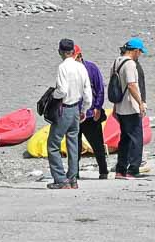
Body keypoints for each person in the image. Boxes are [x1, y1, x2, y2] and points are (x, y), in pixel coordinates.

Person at [46, 38, 91, 190]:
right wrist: (84, 110)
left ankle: (60, 179)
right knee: (73, 144)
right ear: (73, 52)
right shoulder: (81, 67)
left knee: (53, 144)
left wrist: (53, 96)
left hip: (64, 108)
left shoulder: (63, 67)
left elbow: (62, 90)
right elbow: (87, 93)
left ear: (60, 52)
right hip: (76, 108)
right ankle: (72, 178)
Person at [111, 37, 149, 178]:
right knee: (136, 139)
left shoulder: (117, 62)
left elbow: (115, 86)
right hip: (131, 107)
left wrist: (115, 107)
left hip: (120, 107)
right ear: (136, 51)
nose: (140, 55)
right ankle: (133, 170)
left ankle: (120, 170)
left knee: (125, 139)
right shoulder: (130, 64)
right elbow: (131, 85)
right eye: (140, 52)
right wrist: (140, 103)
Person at [78, 45, 110, 182]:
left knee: (97, 144)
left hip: (91, 114)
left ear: (79, 55)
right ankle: (74, 173)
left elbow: (100, 88)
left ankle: (103, 171)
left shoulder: (91, 68)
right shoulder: (68, 69)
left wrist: (98, 107)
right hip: (74, 114)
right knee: (74, 146)